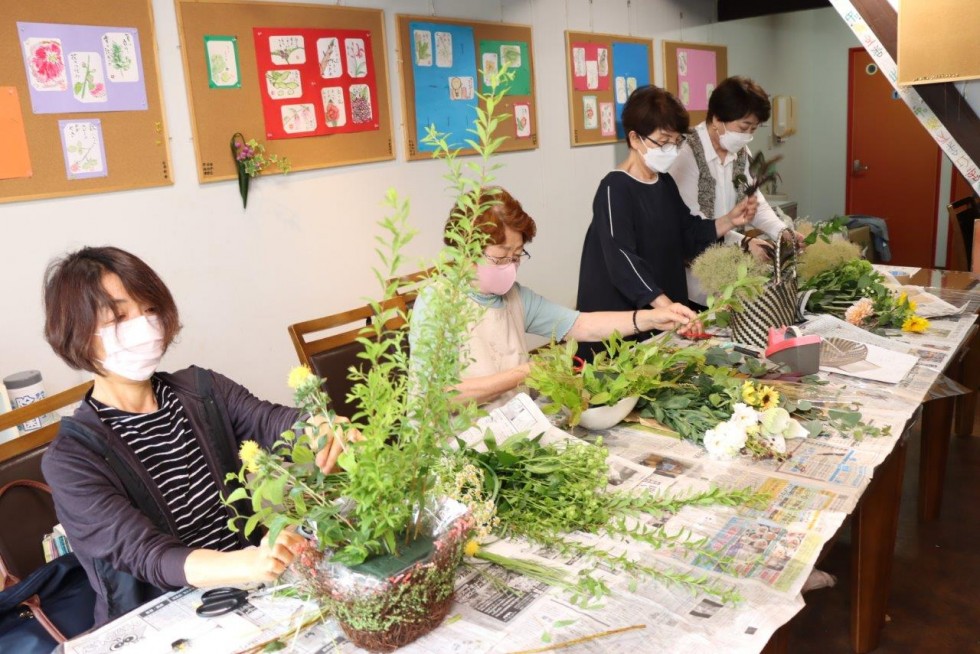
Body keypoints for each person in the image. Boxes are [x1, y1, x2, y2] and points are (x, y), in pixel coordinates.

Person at [40, 246, 347, 626]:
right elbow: (147, 554)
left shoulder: (202, 390)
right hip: (161, 618)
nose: (145, 325)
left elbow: (269, 421)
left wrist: (319, 428)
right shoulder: (71, 459)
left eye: (150, 309)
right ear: (76, 334)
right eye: (120, 316)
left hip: (248, 592)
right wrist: (246, 562)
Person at [409, 187, 699, 408]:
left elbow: (580, 325)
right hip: (453, 445)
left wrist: (651, 318)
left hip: (508, 429)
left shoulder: (513, 297)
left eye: (518, 255)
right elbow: (440, 396)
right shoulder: (437, 302)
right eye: (500, 258)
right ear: (465, 250)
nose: (511, 265)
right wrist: (521, 373)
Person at [576, 85, 753, 359]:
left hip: (660, 307)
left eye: (677, 141)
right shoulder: (615, 188)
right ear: (635, 139)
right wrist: (664, 305)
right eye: (664, 141)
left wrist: (729, 220)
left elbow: (688, 233)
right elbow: (622, 259)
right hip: (624, 314)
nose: (672, 149)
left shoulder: (664, 182)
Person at [670, 76, 799, 305]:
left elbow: (754, 202)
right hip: (695, 279)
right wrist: (743, 243)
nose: (748, 134)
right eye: (743, 127)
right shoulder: (686, 153)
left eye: (754, 128)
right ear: (717, 118)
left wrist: (782, 232)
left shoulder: (739, 151)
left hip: (732, 275)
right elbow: (692, 225)